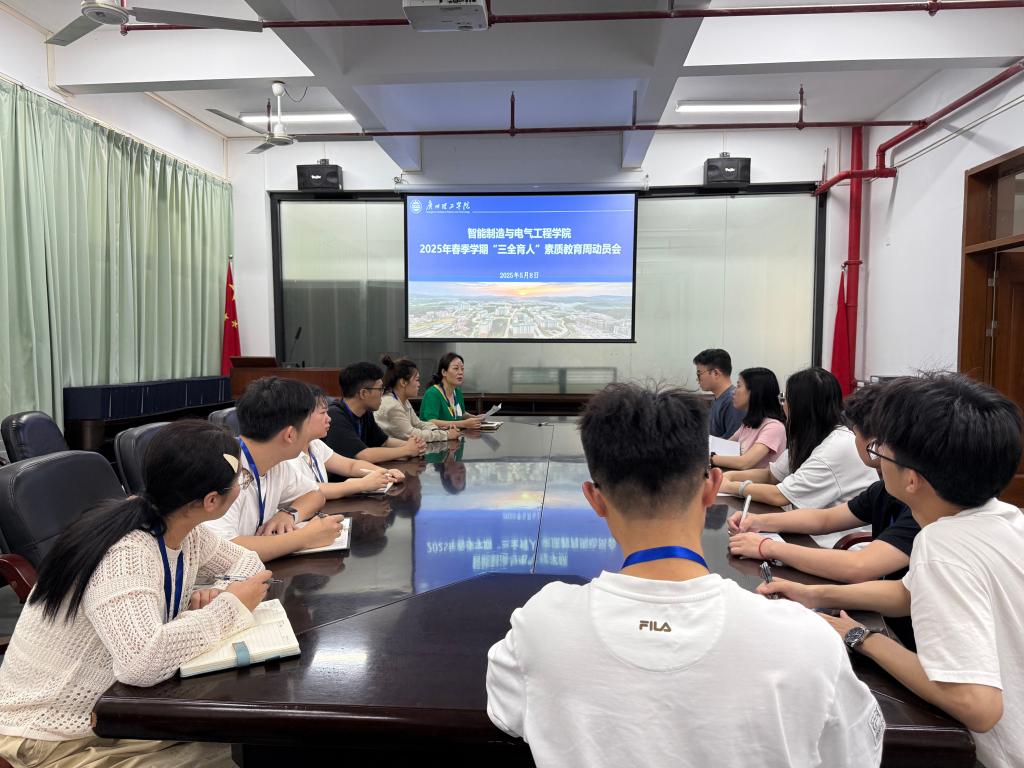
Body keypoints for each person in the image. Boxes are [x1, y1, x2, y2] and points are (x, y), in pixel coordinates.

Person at [486, 383, 883, 768]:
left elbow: (509, 714)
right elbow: (854, 753)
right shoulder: (806, 643)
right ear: (712, 488)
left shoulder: (539, 626)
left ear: (594, 499)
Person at [760, 373, 1024, 768]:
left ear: (912, 479)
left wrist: (862, 637)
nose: (876, 454)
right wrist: (817, 594)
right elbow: (909, 593)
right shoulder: (1005, 517)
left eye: (883, 448)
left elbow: (977, 704)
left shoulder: (942, 545)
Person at [0, 420, 274, 767]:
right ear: (210, 501)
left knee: (249, 741)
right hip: (49, 736)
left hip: (116, 711)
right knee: (240, 754)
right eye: (240, 481)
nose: (241, 486)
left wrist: (219, 592)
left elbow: (248, 564)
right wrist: (229, 608)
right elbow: (142, 663)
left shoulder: (181, 527)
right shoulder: (125, 554)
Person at [727, 382, 920, 647]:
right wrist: (759, 521)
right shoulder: (885, 489)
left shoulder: (924, 511)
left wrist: (766, 546)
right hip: (883, 615)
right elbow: (824, 519)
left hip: (905, 635)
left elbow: (859, 566)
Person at [204, 377, 341, 561]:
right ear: (290, 435)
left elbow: (315, 495)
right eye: (307, 423)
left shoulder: (277, 462)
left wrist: (288, 514)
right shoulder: (222, 469)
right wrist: (304, 538)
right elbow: (222, 551)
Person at [719, 367, 877, 508]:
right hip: (815, 525)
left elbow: (779, 496)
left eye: (785, 399)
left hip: (836, 532)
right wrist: (729, 476)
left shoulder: (834, 447)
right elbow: (771, 476)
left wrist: (730, 486)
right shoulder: (810, 438)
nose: (784, 405)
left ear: (800, 406)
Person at [290, 386, 405, 500]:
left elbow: (350, 466)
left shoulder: (315, 444)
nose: (329, 418)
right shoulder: (288, 456)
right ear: (302, 417)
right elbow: (309, 491)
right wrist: (361, 484)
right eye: (323, 413)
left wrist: (383, 473)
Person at [323, 362, 427, 462]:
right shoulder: (335, 416)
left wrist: (414, 445)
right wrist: (406, 450)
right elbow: (363, 455)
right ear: (363, 393)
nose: (383, 393)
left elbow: (384, 441)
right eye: (380, 389)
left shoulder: (365, 412)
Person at [710, 366, 787, 470]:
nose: (733, 392)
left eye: (738, 386)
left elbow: (744, 463)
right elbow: (725, 445)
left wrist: (710, 459)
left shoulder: (774, 427)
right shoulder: (748, 424)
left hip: (754, 480)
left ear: (755, 392)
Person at [375, 354, 460, 443]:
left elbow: (418, 424)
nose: (419, 384)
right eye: (417, 380)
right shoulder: (391, 405)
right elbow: (412, 435)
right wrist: (446, 435)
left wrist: (438, 429)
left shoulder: (403, 400)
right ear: (403, 382)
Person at [418, 353, 483, 429]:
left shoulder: (457, 392)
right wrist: (463, 424)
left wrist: (475, 418)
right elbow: (430, 421)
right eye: (456, 368)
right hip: (435, 435)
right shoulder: (433, 393)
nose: (460, 372)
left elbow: (460, 413)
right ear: (444, 372)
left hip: (455, 434)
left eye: (462, 369)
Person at [693, 348, 743, 438]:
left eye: (699, 374)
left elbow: (732, 442)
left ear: (716, 373)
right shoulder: (719, 398)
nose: (697, 379)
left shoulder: (733, 401)